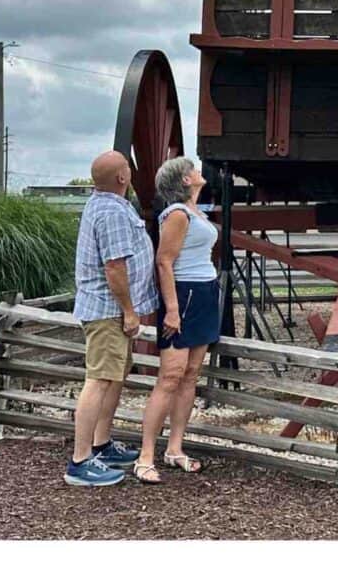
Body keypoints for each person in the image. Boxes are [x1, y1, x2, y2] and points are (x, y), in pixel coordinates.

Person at [65, 149, 160, 488]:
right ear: (122, 177)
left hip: (110, 309)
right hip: (109, 310)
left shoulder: (104, 205)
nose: (131, 172)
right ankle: (79, 462)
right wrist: (130, 311)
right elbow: (114, 265)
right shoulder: (113, 213)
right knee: (100, 379)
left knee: (114, 376)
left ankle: (101, 445)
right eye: (128, 168)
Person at [133, 157, 222, 484]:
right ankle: (145, 456)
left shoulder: (196, 212)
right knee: (170, 376)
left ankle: (175, 449)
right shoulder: (177, 214)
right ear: (184, 180)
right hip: (183, 295)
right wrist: (171, 309)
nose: (199, 173)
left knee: (190, 375)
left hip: (203, 293)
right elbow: (164, 261)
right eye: (193, 170)